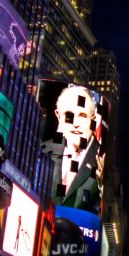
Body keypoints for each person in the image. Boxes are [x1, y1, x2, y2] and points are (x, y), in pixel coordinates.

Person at [46, 83, 102, 212]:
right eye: (69, 115)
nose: (75, 123)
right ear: (59, 116)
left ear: (93, 120)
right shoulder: (43, 150)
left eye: (82, 116)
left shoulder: (102, 161)